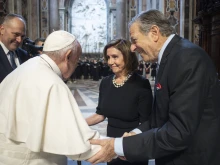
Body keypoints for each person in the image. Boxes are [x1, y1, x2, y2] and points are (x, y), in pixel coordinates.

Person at [88, 9, 220, 165]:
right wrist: (134, 134)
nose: (132, 48)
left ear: (154, 32)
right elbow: (160, 116)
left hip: (192, 158)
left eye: (135, 40)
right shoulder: (170, 57)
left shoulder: (186, 58)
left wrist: (118, 146)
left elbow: (179, 132)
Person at [0, 30, 101, 165]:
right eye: (76, 61)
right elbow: (76, 143)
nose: (76, 66)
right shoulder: (52, 83)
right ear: (68, 56)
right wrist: (116, 148)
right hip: (33, 160)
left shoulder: (24, 68)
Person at [86, 38, 153, 165]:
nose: (110, 62)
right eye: (108, 57)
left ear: (128, 56)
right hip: (111, 144)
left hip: (132, 145)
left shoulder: (141, 84)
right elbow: (100, 114)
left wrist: (131, 135)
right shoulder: (105, 82)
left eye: (115, 57)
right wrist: (79, 124)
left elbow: (148, 122)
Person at [0, 13, 30, 83]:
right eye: (16, 34)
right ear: (2, 30)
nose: (19, 40)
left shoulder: (25, 55)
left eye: (22, 36)